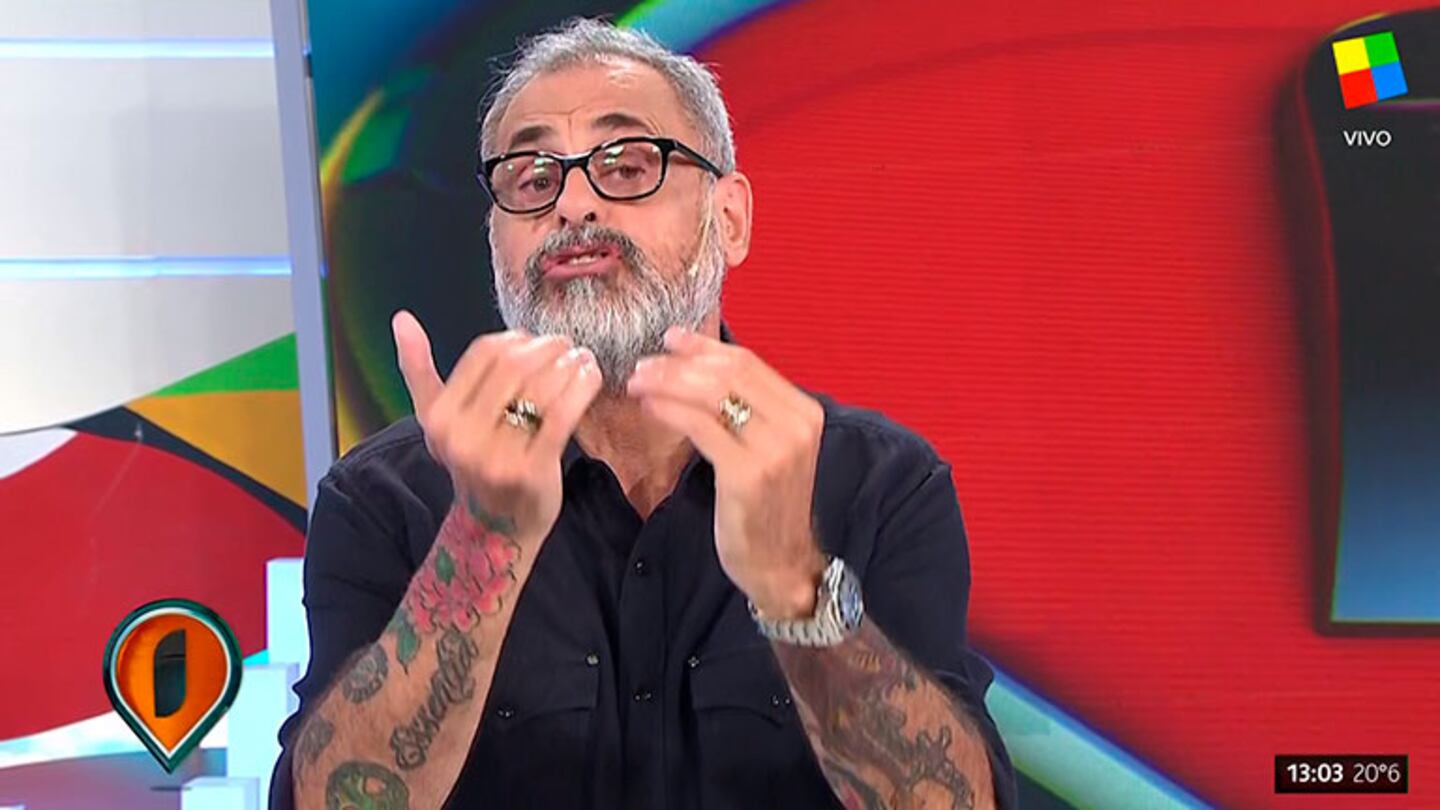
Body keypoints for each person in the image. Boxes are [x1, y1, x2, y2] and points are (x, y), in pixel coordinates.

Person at [271, 17, 1016, 810]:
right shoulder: (383, 499)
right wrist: (481, 542)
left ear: (729, 219)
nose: (573, 203)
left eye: (627, 166)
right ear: (495, 240)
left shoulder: (880, 486)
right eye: (532, 179)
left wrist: (795, 586)